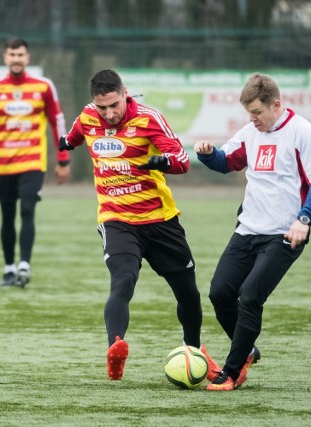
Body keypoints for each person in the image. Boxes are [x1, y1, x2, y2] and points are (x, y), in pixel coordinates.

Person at [60, 69, 220, 381]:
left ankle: (193, 349)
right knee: (123, 279)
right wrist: (66, 144)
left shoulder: (149, 119)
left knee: (188, 294)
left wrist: (165, 163)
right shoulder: (88, 117)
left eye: (114, 105)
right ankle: (115, 347)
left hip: (160, 220)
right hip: (116, 219)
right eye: (102, 107)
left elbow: (183, 161)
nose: (108, 114)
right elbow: (75, 135)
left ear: (125, 93)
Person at [194, 72, 311, 391]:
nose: (252, 119)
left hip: (285, 234)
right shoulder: (251, 132)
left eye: (256, 112)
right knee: (220, 292)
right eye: (248, 113)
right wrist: (207, 154)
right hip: (248, 230)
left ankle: (232, 370)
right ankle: (248, 351)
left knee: (250, 296)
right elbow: (227, 162)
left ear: (276, 105)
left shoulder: (302, 134)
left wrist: (305, 219)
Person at [0, 37, 71, 288]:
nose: (16, 59)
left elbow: (58, 122)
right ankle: (9, 269)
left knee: (28, 210)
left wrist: (63, 159)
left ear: (27, 58)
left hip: (33, 162)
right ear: (5, 57)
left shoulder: (44, 86)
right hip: (3, 164)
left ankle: (24, 266)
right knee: (7, 216)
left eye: (21, 55)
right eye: (12, 54)